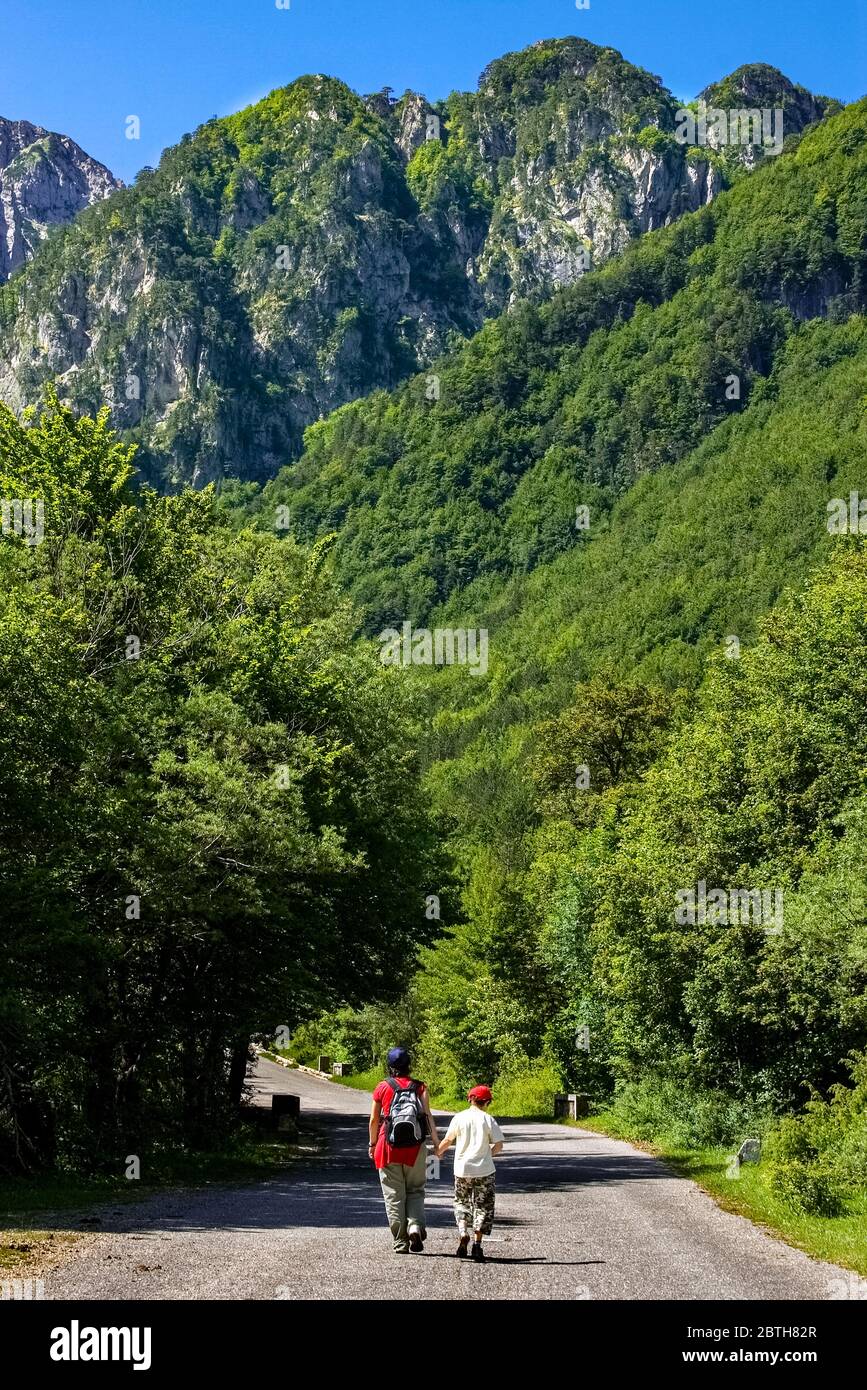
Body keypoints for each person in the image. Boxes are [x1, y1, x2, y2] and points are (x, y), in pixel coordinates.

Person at [369, 1046, 439, 1254]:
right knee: (416, 1189)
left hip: (387, 1147)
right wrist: (436, 1142)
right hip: (416, 1147)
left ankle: (400, 1241)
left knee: (393, 1195)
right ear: (409, 1065)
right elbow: (427, 1116)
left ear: (390, 1067)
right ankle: (415, 1226)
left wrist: (372, 1144)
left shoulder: (382, 1087)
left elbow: (374, 1120)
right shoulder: (420, 1087)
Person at [436, 1084, 504, 1262]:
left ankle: (462, 1231)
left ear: (470, 1099)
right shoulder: (488, 1119)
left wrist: (436, 1153)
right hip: (485, 1170)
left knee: (461, 1201)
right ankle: (477, 1245)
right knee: (483, 1206)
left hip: (462, 1169)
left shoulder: (459, 1118)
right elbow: (499, 1145)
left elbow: (448, 1140)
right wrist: (487, 1155)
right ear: (487, 1102)